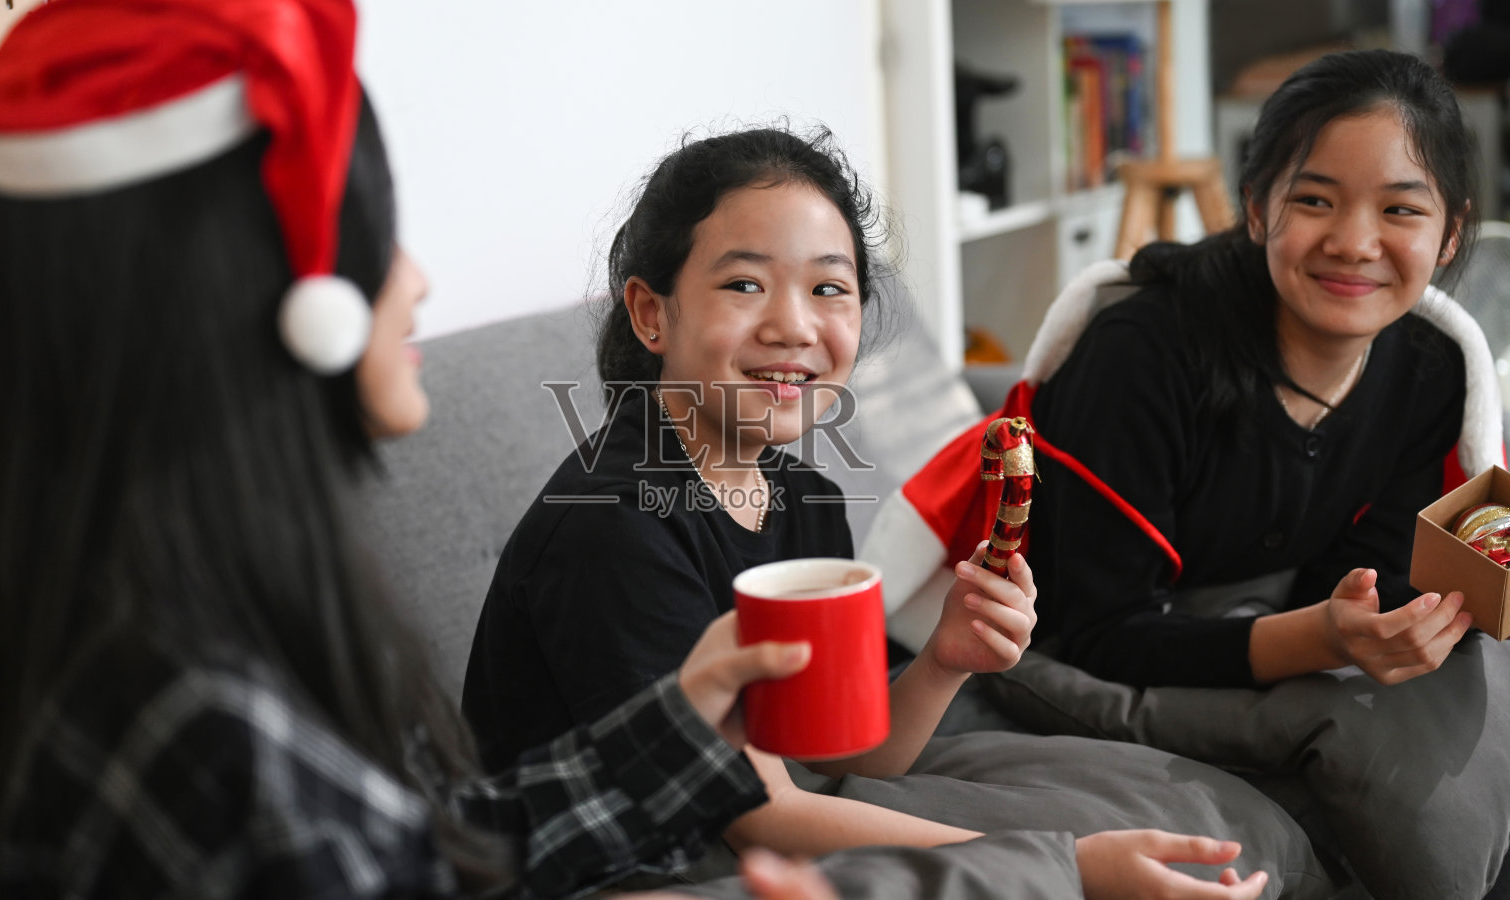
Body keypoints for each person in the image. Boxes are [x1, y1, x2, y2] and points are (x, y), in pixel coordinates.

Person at [0, 3, 852, 898]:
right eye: (375, 240)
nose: (414, 281)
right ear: (256, 300)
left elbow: (425, 856)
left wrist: (673, 731)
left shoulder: (253, 627)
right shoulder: (198, 731)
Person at [464, 126, 1311, 899]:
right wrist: (1062, 863)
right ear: (652, 312)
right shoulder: (615, 526)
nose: (794, 326)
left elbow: (843, 754)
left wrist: (944, 658)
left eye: (829, 288)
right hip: (619, 869)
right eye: (745, 283)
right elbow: (757, 811)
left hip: (747, 827)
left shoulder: (803, 500)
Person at [1025, 49, 1490, 689]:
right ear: (1255, 210)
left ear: (1451, 234)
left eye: (1400, 210)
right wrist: (1320, 638)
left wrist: (1374, 630)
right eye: (1314, 200)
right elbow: (1092, 632)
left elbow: (1373, 586)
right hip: (1073, 665)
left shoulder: (1431, 374)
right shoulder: (1137, 358)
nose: (1354, 244)